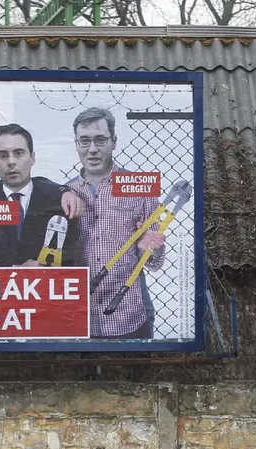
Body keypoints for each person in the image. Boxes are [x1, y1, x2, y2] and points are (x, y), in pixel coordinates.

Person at [65, 107, 166, 339]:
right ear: (76, 144)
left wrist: (148, 248)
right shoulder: (66, 192)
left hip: (129, 314)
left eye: (100, 140)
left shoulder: (139, 189)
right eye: (85, 141)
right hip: (80, 316)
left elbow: (155, 261)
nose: (92, 149)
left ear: (114, 141)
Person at [0, 123, 84, 268]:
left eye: (19, 153)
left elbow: (71, 260)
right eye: (3, 155)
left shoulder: (57, 201)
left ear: (33, 158)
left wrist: (43, 268)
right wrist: (8, 269)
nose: (11, 162)